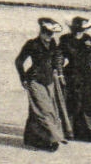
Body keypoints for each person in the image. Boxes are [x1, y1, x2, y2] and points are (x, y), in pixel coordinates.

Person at [14, 17, 71, 151]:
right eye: (47, 33)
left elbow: (57, 59)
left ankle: (32, 138)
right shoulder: (32, 44)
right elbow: (19, 61)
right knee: (44, 111)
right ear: (41, 31)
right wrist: (23, 78)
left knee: (42, 110)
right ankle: (53, 138)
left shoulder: (53, 44)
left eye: (51, 34)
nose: (49, 36)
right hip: (34, 80)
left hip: (49, 81)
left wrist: (60, 73)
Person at [60, 16, 91, 143]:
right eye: (77, 29)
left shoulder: (88, 39)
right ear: (72, 28)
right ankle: (71, 131)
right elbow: (59, 58)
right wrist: (59, 74)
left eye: (82, 29)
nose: (79, 32)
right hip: (71, 74)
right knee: (72, 102)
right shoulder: (65, 39)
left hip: (88, 74)